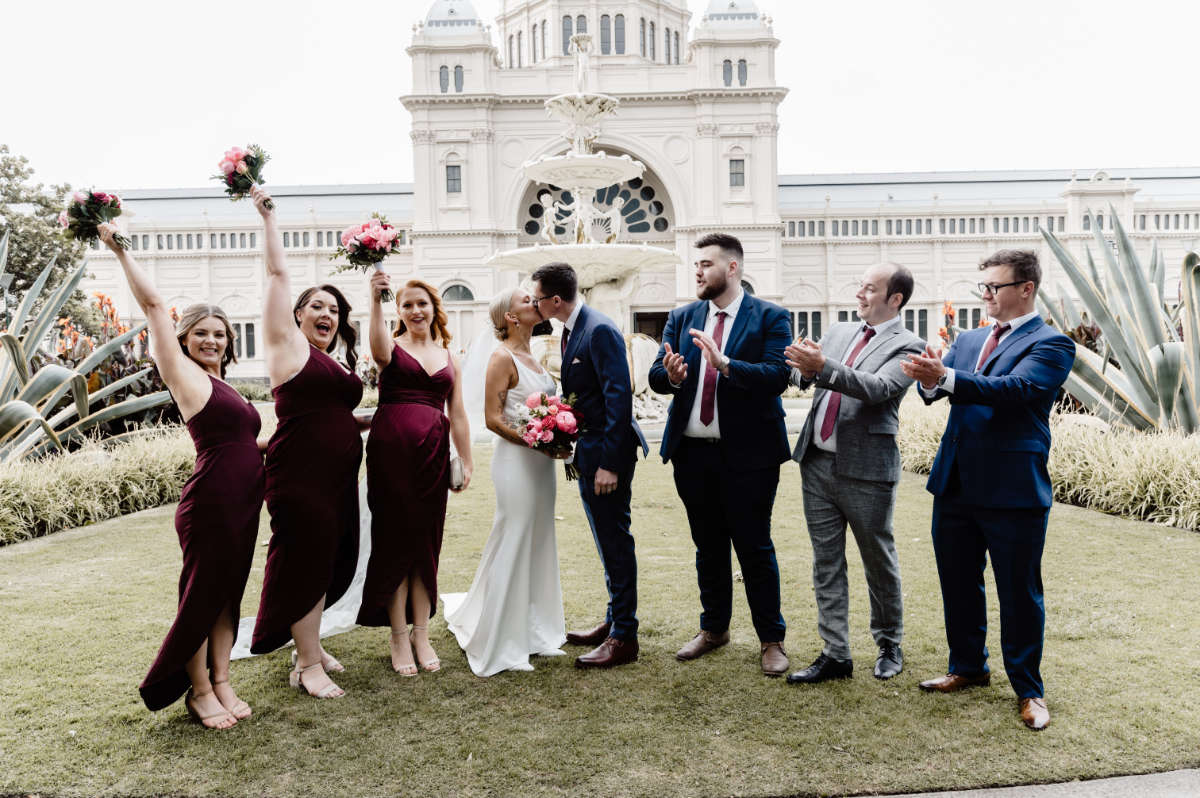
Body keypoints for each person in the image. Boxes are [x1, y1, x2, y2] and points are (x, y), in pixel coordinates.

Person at [901, 249, 1075, 731]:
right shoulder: (970, 337)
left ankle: (1028, 688)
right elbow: (939, 392)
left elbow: (1016, 391)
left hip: (1014, 487)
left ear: (1026, 289)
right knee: (957, 581)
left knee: (1019, 591)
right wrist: (929, 380)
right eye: (983, 287)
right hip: (955, 480)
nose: (986, 296)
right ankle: (968, 667)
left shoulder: (1053, 344)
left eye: (994, 287)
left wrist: (947, 377)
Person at [100, 224, 263, 730]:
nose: (211, 340)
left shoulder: (225, 386)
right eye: (201, 333)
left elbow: (247, 443)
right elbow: (153, 307)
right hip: (211, 503)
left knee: (225, 595)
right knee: (200, 599)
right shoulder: (182, 373)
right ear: (184, 339)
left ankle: (221, 680)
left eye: (219, 334)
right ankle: (197, 691)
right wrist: (120, 250)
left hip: (242, 504)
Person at [648, 233, 792, 677]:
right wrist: (670, 376)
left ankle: (772, 640)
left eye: (706, 264)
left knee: (754, 546)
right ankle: (714, 629)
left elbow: (776, 376)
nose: (697, 271)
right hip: (692, 455)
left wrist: (725, 364)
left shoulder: (771, 316)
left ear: (732, 268)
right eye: (696, 265)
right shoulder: (681, 316)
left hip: (750, 457)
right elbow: (656, 375)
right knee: (707, 546)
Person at [247, 186, 367, 700]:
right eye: (317, 306)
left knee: (327, 559)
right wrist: (269, 218)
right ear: (296, 315)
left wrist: (376, 421)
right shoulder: (288, 346)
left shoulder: (335, 362)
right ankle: (307, 666)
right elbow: (277, 275)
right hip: (300, 477)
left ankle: (307, 647)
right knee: (304, 561)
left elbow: (330, 415)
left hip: (338, 477)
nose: (327, 314)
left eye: (335, 310)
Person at [783, 263, 924, 686]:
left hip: (867, 471)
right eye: (859, 287)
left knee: (877, 560)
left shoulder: (911, 345)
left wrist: (822, 365)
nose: (859, 295)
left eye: (869, 289)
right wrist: (805, 368)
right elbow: (802, 377)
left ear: (894, 299)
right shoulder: (839, 332)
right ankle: (835, 654)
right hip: (817, 464)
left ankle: (889, 643)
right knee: (826, 561)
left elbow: (877, 389)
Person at [443, 287, 568, 676]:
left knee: (537, 538)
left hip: (541, 464)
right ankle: (502, 641)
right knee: (514, 536)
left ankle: (534, 631)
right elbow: (493, 418)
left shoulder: (535, 356)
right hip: (516, 461)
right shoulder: (502, 356)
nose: (536, 302)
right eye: (526, 301)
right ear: (510, 317)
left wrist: (556, 433)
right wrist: (538, 440)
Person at [531, 262, 648, 669]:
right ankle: (614, 619)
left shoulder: (598, 329)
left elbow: (620, 398)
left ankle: (624, 637)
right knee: (605, 539)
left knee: (615, 540)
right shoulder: (570, 330)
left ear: (555, 300)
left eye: (538, 298)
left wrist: (611, 464)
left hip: (606, 455)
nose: (535, 304)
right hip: (588, 449)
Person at [355, 274, 472, 675]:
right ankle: (399, 635)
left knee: (425, 544)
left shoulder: (448, 355)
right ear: (399, 311)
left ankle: (422, 632)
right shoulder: (390, 346)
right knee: (394, 543)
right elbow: (375, 347)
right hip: (391, 454)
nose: (415, 311)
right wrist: (374, 301)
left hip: (433, 455)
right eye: (407, 305)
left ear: (433, 307)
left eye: (421, 303)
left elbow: (457, 412)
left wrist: (467, 460)